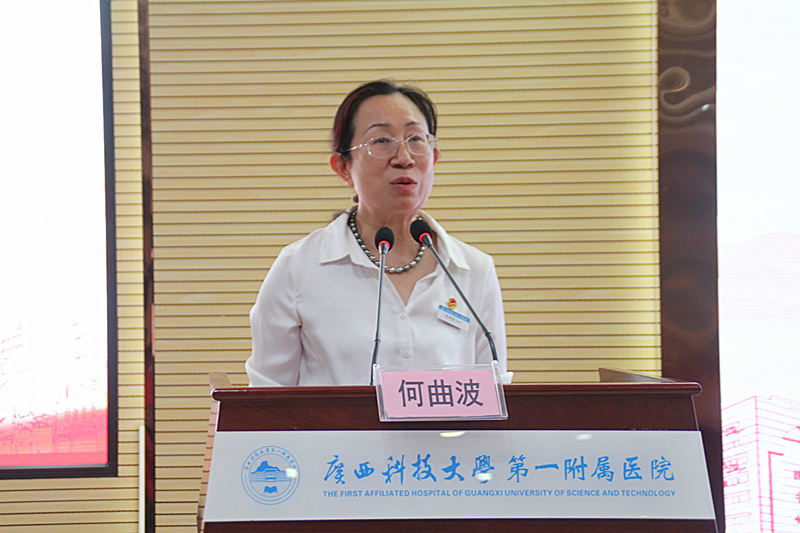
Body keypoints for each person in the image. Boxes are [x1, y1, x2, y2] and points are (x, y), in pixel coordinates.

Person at [246, 80, 508, 386]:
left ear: (434, 157)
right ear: (343, 167)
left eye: (416, 139)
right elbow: (268, 397)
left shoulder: (473, 270)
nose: (404, 158)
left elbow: (495, 395)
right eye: (382, 140)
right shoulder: (298, 268)